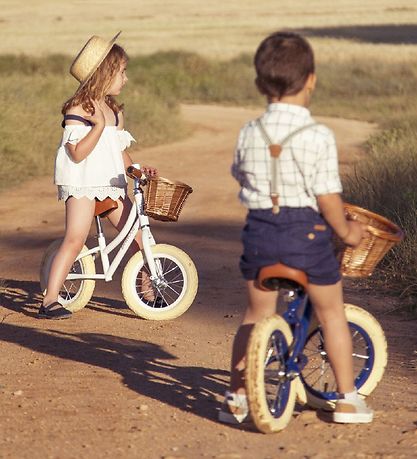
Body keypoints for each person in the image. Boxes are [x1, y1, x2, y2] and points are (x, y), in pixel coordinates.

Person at [219, 31, 373, 425]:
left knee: (254, 316)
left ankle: (237, 397)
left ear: (259, 84)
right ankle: (348, 399)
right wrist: (348, 232)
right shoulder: (317, 135)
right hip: (306, 235)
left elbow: (240, 174)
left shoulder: (249, 132)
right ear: (312, 80)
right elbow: (327, 199)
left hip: (260, 233)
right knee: (332, 312)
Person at [38, 32, 157, 320]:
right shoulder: (78, 109)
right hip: (81, 181)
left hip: (109, 183)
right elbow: (77, 154)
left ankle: (149, 290)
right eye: (121, 72)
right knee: (76, 238)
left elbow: (117, 150)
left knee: (139, 235)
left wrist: (135, 169)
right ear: (104, 74)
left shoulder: (114, 111)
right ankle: (49, 300)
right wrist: (98, 125)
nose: (125, 79)